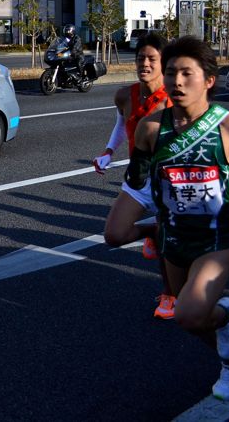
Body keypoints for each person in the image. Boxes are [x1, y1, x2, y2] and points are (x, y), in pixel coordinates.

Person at [125, 36, 229, 401]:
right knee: (194, 320)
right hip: (174, 235)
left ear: (209, 80)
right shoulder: (151, 129)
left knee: (187, 312)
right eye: (171, 73)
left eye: (187, 73)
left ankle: (226, 324)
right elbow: (138, 171)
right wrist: (137, 171)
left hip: (218, 236)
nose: (177, 81)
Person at [96, 33, 176, 319]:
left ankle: (169, 295)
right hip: (138, 178)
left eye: (152, 59)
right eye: (141, 57)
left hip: (169, 181)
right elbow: (121, 126)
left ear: (163, 63)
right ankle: (150, 231)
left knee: (170, 244)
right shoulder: (124, 94)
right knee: (114, 235)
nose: (144, 63)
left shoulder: (173, 100)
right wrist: (108, 152)